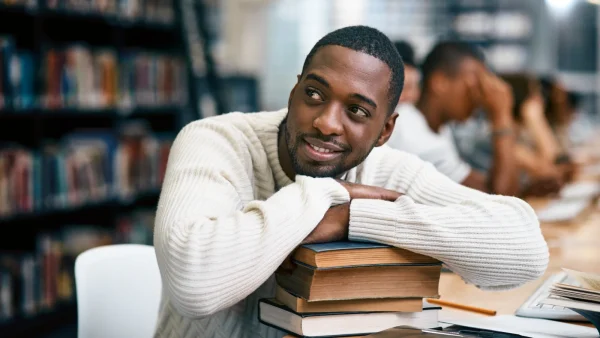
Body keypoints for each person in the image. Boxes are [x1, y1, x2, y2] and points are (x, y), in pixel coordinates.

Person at [153, 26, 548, 338]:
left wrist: (352, 216)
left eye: (357, 111)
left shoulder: (386, 168)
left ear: (385, 131)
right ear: (294, 90)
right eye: (313, 94)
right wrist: (323, 195)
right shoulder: (215, 141)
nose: (326, 122)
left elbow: (526, 248)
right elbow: (193, 284)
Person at [385, 41, 520, 196]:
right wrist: (501, 115)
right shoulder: (414, 135)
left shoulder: (437, 127)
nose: (479, 96)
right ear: (439, 82)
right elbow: (500, 197)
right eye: (475, 85)